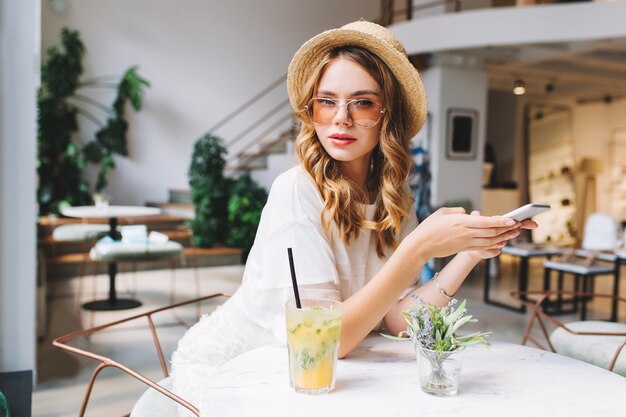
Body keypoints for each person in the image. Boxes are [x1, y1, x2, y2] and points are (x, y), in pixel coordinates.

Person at [170, 20, 535, 411]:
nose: (341, 118)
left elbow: (397, 321)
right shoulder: (296, 191)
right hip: (234, 375)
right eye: (326, 101)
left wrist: (469, 255)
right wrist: (418, 248)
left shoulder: (396, 196)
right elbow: (330, 341)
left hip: (320, 378)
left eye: (362, 102)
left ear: (387, 115)